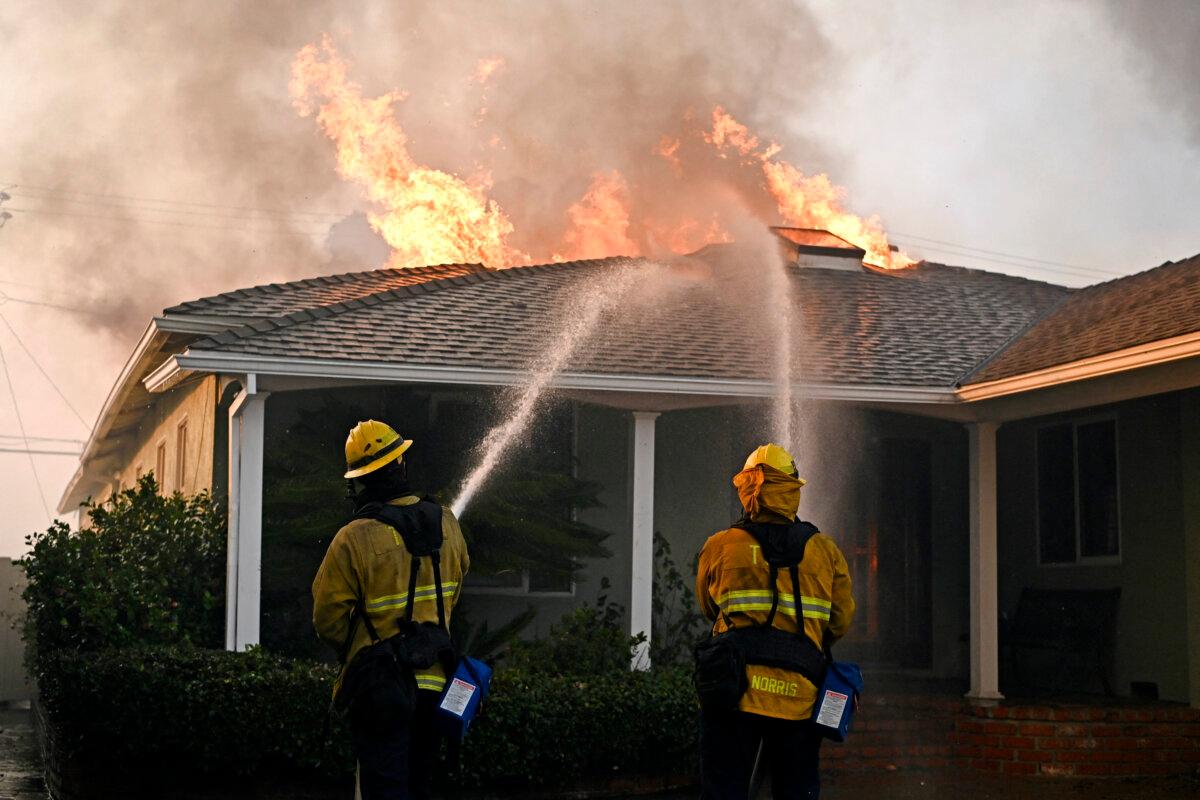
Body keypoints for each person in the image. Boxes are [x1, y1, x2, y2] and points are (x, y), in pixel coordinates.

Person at [313, 420, 470, 800]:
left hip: (381, 693)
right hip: (437, 688)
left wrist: (357, 647)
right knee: (422, 786)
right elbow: (455, 588)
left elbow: (327, 620)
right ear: (401, 464)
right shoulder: (447, 522)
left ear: (360, 481)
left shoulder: (353, 538)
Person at [695, 443, 855, 800]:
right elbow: (840, 620)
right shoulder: (825, 550)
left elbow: (708, 606)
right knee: (796, 790)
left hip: (732, 692)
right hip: (798, 697)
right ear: (792, 488)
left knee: (724, 789)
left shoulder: (720, 545)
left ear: (747, 488)